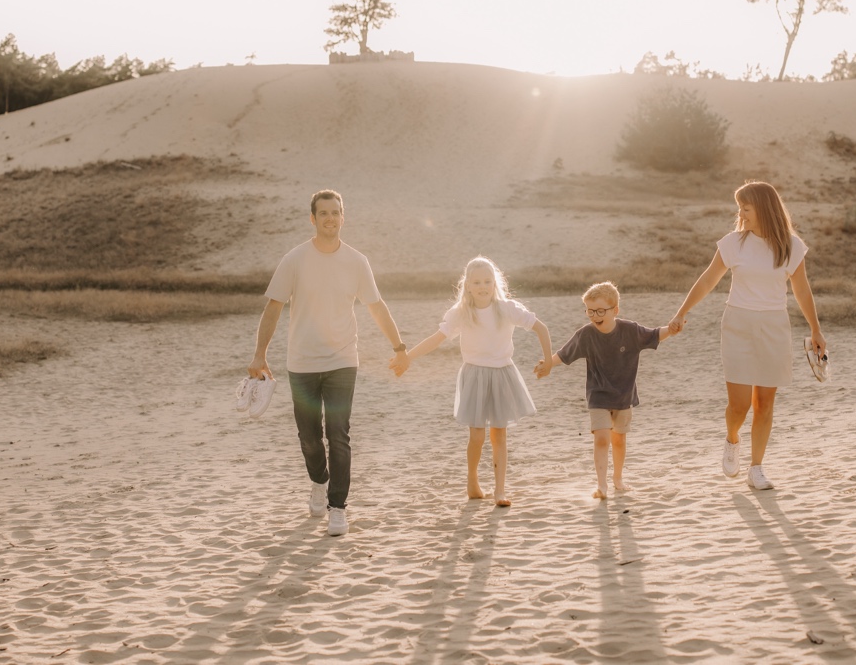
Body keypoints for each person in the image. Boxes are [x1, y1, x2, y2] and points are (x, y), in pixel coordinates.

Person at [248, 189, 411, 537]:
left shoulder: (357, 261)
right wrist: (259, 354)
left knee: (338, 434)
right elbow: (273, 308)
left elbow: (376, 307)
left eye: (336, 212)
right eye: (324, 213)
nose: (330, 218)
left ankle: (338, 508)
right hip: (301, 364)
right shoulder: (294, 259)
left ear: (343, 217)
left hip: (342, 361)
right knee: (309, 437)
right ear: (312, 218)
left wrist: (399, 347)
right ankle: (319, 482)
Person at [667, 180, 825, 491]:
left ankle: (757, 468)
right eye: (740, 207)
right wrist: (681, 311)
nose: (741, 213)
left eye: (746, 208)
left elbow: (802, 290)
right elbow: (708, 280)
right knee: (739, 405)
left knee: (765, 402)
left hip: (774, 327)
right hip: (737, 324)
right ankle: (732, 439)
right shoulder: (732, 243)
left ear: (764, 209)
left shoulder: (792, 246)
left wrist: (816, 329)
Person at [402, 257, 554, 507]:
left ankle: (500, 491)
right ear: (467, 286)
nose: (483, 286)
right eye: (477, 282)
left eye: (487, 281)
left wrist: (548, 361)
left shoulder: (507, 308)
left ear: (495, 283)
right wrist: (408, 357)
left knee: (499, 434)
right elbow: (437, 338)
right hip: (474, 375)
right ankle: (472, 479)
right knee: (476, 436)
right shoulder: (461, 313)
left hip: (503, 374)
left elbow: (541, 328)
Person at [536, 281, 679, 500]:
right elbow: (564, 354)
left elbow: (655, 335)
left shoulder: (630, 330)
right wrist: (547, 364)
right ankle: (601, 485)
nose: (594, 316)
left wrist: (672, 329)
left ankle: (618, 479)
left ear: (615, 310)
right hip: (598, 395)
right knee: (602, 438)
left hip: (624, 396)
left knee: (619, 440)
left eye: (600, 311)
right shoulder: (585, 334)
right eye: (590, 311)